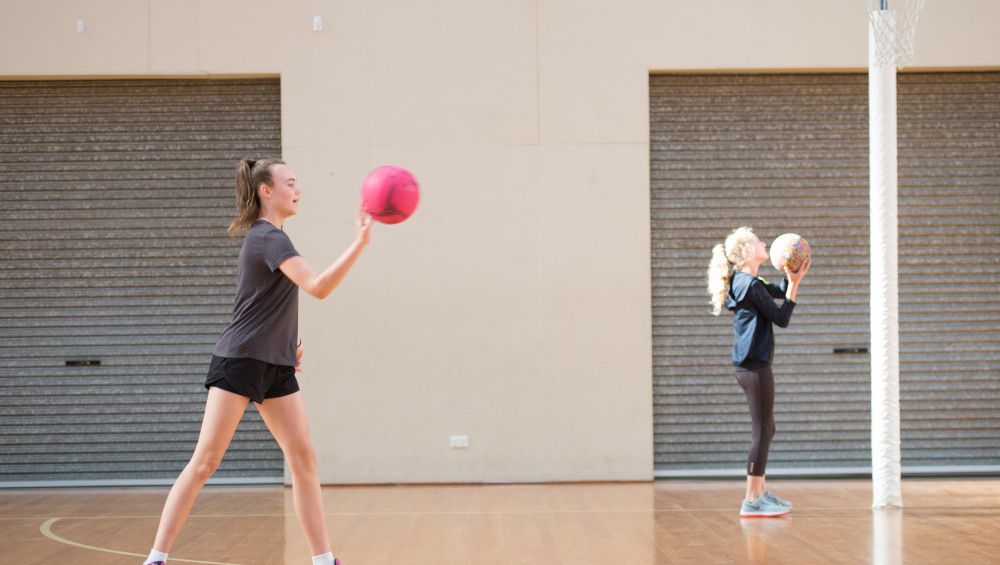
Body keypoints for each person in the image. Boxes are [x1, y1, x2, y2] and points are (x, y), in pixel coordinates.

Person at [143, 158, 371, 565]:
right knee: (205, 462)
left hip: (275, 364)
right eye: (291, 183)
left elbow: (269, 301)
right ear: (267, 191)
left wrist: (287, 343)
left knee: (303, 459)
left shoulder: (274, 238)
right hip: (241, 360)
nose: (298, 190)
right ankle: (156, 558)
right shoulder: (269, 238)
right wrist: (359, 243)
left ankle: (323, 560)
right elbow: (317, 287)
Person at [708, 226, 809, 518]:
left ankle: (760, 493)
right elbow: (781, 317)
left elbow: (777, 290)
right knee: (761, 431)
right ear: (749, 251)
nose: (765, 242)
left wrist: (791, 275)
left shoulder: (749, 281)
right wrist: (796, 283)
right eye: (759, 241)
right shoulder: (749, 285)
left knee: (767, 429)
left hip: (750, 365)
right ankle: (752, 499)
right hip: (754, 366)